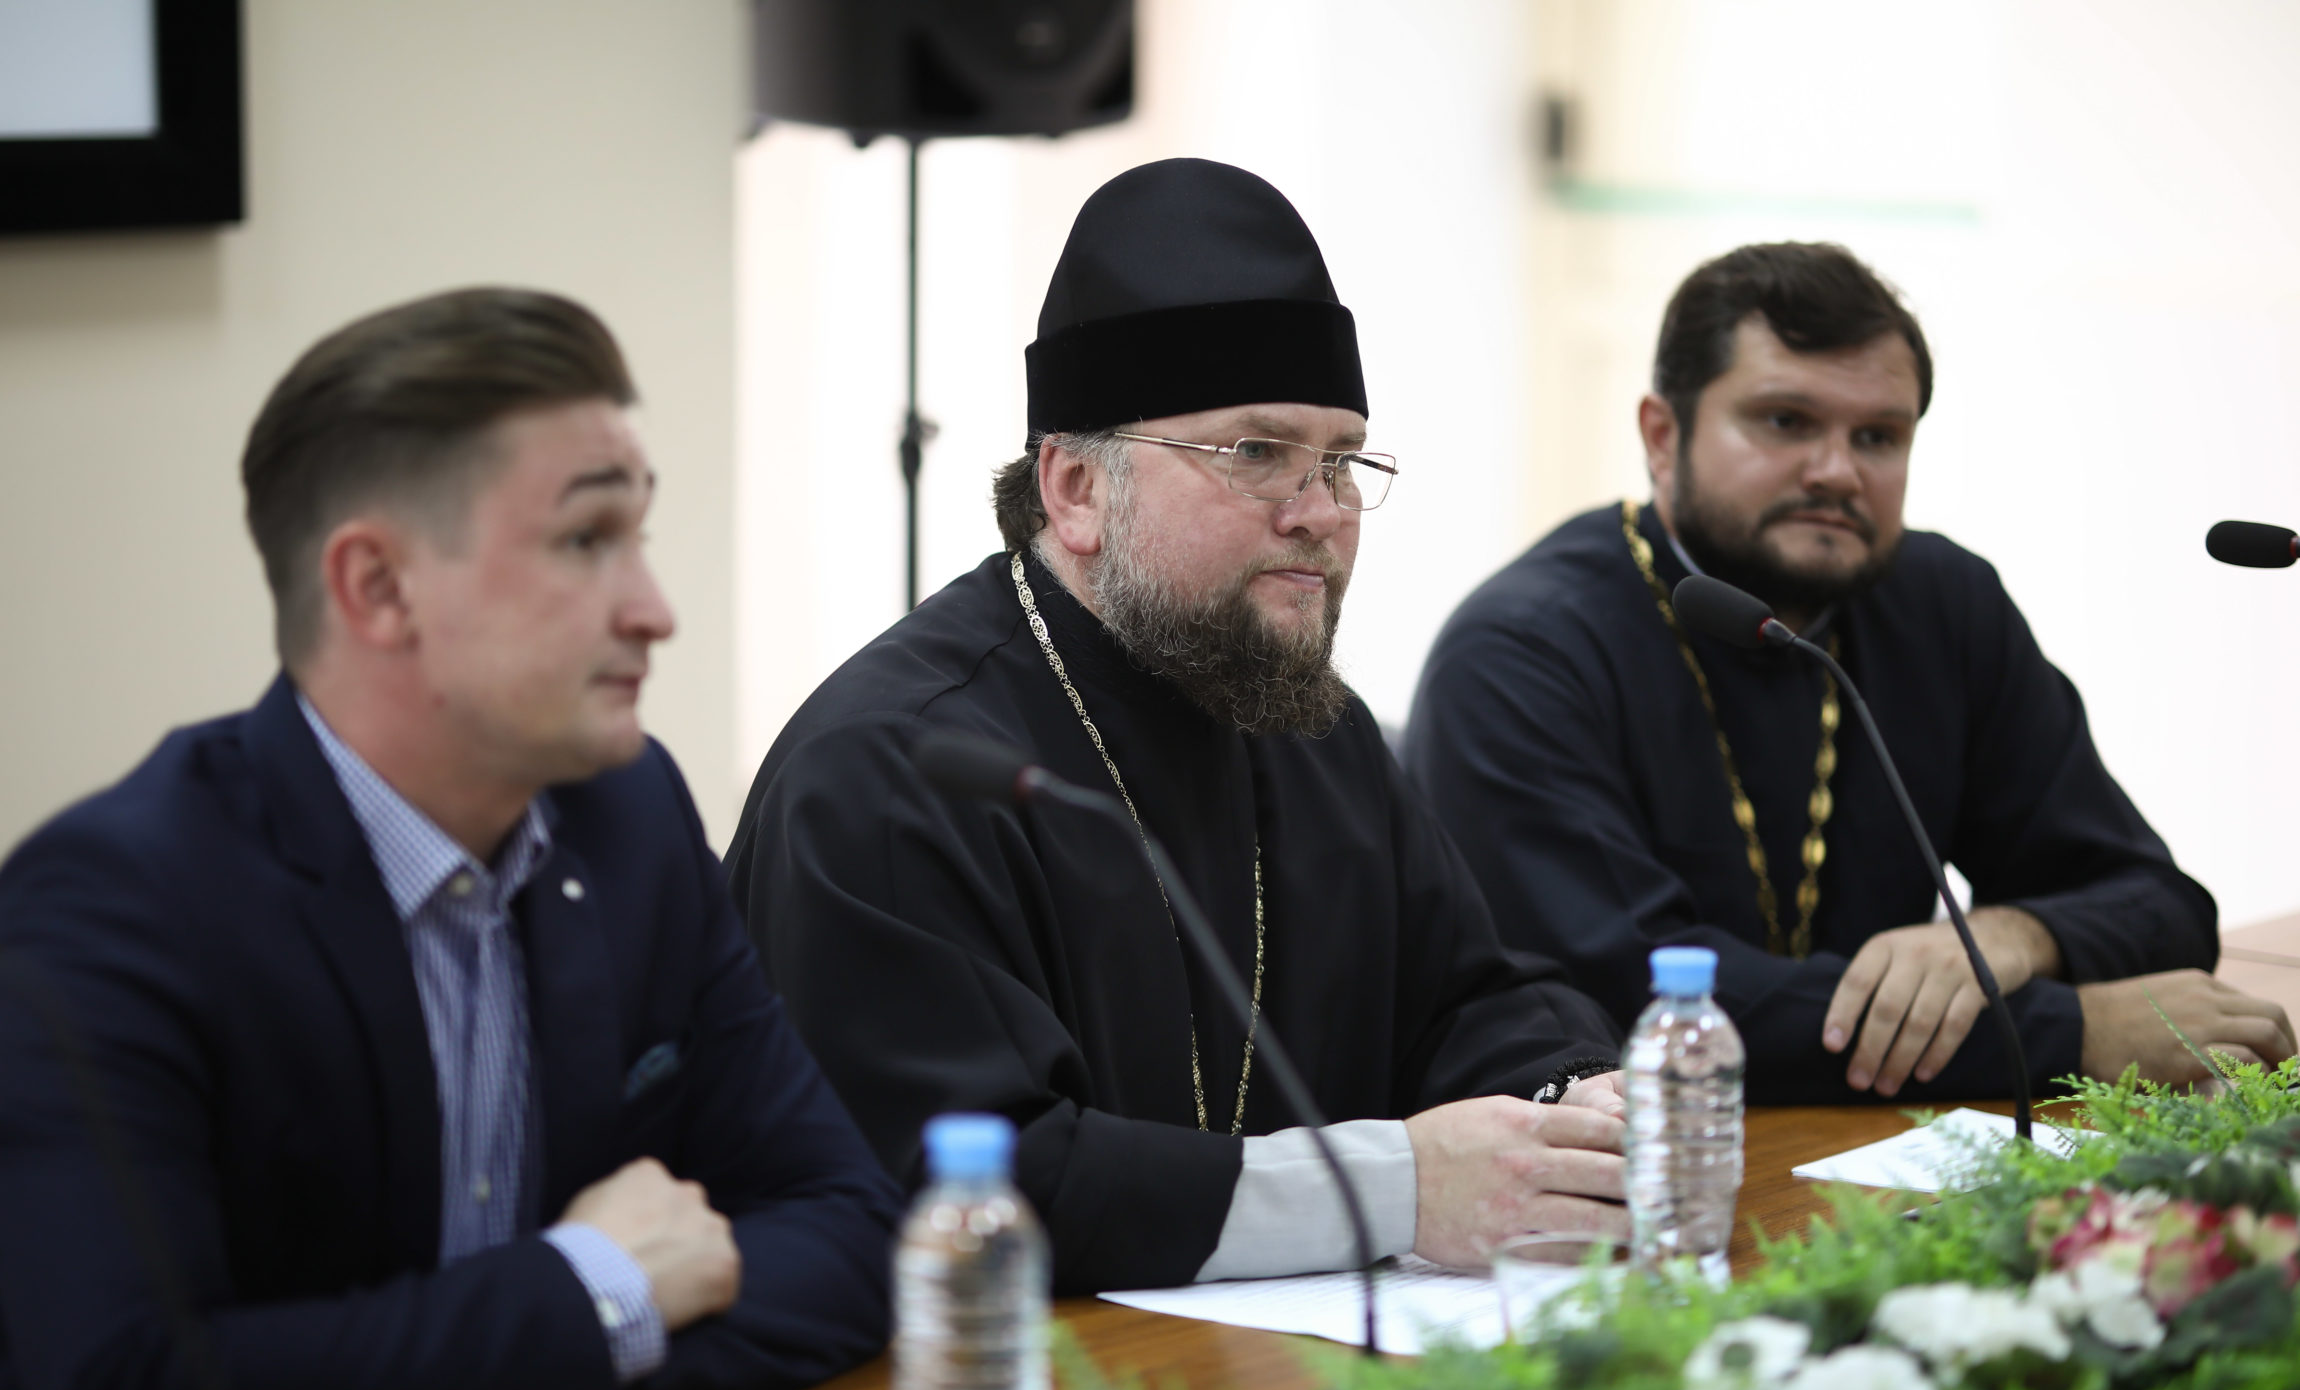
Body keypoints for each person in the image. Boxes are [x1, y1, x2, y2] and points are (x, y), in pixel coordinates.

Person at [0, 289, 902, 1390]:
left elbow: (846, 1230)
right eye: (585, 540)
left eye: (638, 535)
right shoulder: (111, 908)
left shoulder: (628, 818)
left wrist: (550, 1371)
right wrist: (594, 1297)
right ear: (378, 587)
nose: (653, 608)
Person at [725, 159, 1627, 1298]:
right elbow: (975, 1190)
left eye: (1340, 462)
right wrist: (1390, 1187)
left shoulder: (1310, 724)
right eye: (1255, 454)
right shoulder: (893, 771)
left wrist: (1575, 1100)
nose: (1319, 513)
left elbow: (1465, 999)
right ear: (1075, 490)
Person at [1404, 242, 2293, 1104]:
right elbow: (1637, 999)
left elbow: (2161, 905)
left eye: (1877, 436)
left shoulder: (1944, 601)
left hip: (1890, 1138)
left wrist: (2014, 934)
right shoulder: (1520, 652)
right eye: (1785, 421)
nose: (1837, 471)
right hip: (1652, 1158)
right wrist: (2070, 1031)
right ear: (1663, 435)